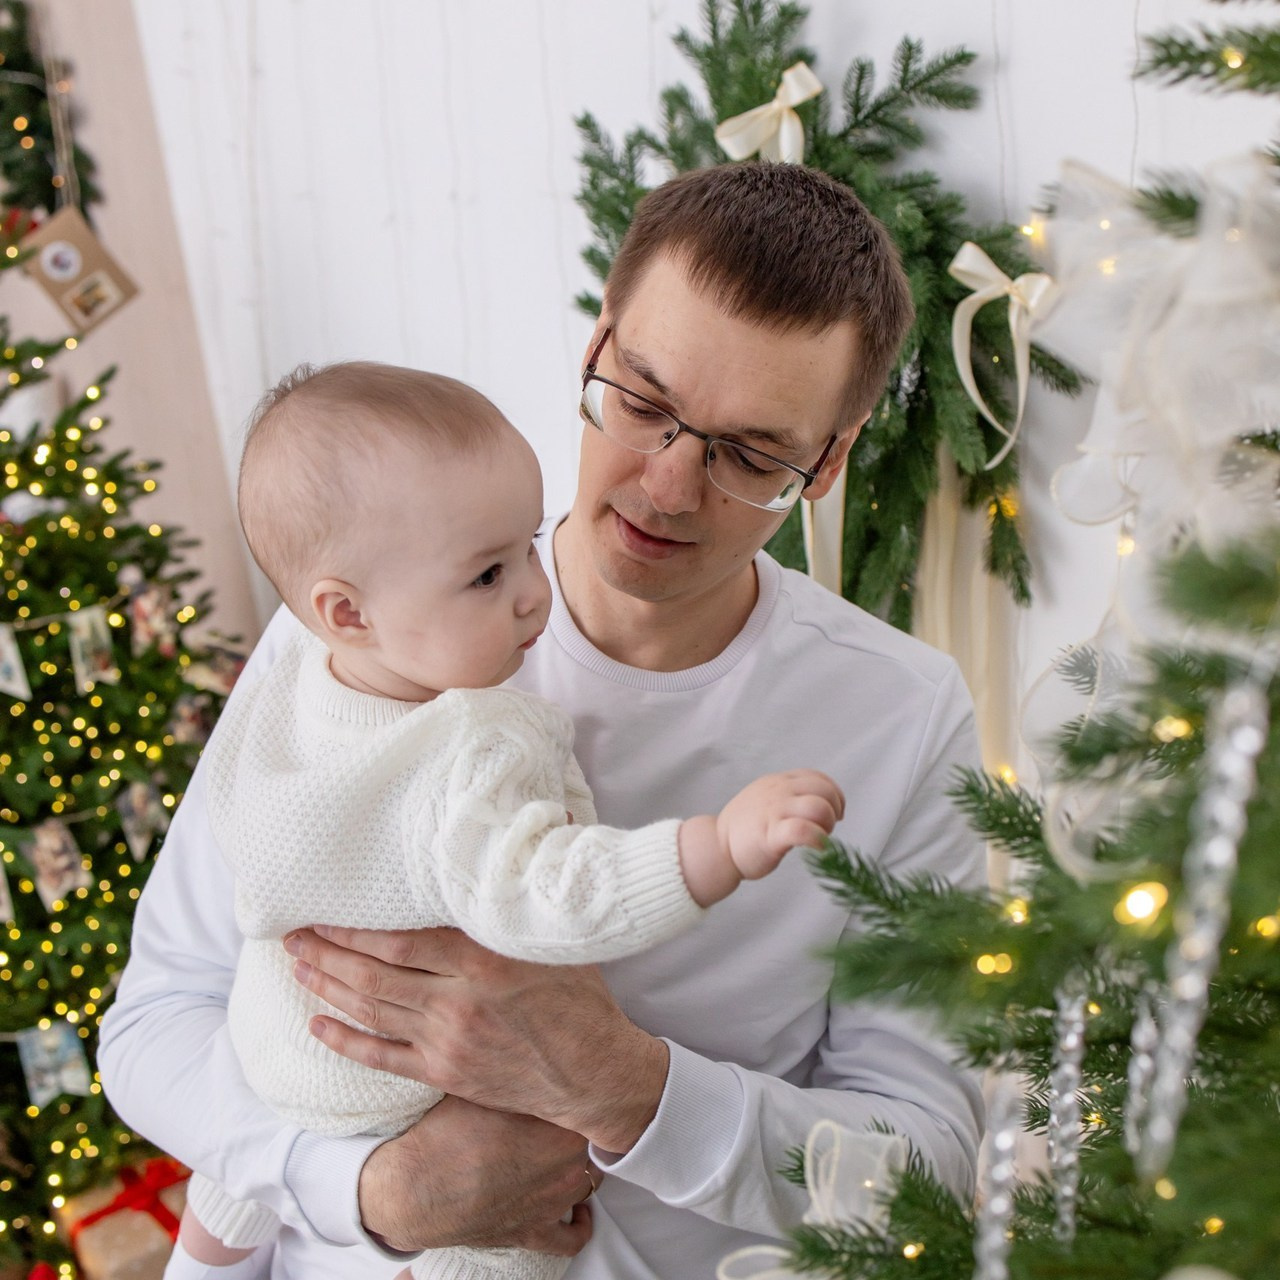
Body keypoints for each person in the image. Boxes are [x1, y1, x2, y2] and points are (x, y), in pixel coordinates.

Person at [100, 161, 987, 1280]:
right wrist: (372, 1192)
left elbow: (926, 1165)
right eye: (644, 403)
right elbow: (156, 1021)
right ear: (594, 347)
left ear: (829, 460)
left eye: (751, 454)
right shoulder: (367, 623)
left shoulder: (899, 714)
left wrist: (624, 1083)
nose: (668, 484)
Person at [164, 360, 843, 1280]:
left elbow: (237, 827)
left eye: (526, 544)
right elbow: (550, 894)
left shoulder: (292, 682)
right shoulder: (477, 741)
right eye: (487, 574)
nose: (533, 591)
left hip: (268, 1051)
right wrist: (714, 847)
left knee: (225, 1187)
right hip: (394, 1092)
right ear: (347, 612)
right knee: (511, 1249)